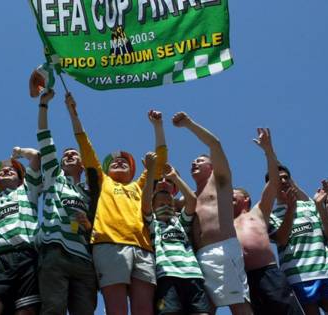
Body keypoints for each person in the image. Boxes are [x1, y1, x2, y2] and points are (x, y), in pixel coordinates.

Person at [67, 92, 167, 315]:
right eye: (114, 161)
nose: (119, 161)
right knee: (117, 309)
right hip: (108, 244)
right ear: (106, 169)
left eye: (125, 161)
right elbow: (85, 145)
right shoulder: (103, 182)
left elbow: (159, 164)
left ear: (133, 170)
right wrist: (73, 113)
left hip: (143, 248)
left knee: (144, 310)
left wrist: (158, 126)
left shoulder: (138, 186)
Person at [172, 112, 252, 315]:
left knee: (239, 305)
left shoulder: (220, 182)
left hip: (223, 249)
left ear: (211, 166)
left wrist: (189, 124)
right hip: (198, 258)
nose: (194, 163)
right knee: (203, 310)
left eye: (199, 161)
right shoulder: (187, 199)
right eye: (192, 162)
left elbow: (215, 144)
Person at [35, 89, 97, 315]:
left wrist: (87, 224)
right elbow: (44, 140)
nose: (69, 155)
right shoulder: (54, 177)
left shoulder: (89, 193)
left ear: (82, 165)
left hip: (83, 259)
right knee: (53, 309)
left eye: (74, 154)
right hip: (55, 252)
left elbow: (96, 229)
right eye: (65, 154)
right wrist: (43, 106)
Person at [233, 128, 303, 315]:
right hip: (245, 281)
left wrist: (268, 151)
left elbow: (273, 181)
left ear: (246, 198)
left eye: (234, 195)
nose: (229, 198)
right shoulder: (225, 222)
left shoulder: (258, 211)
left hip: (269, 274)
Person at [269, 165, 328, 315]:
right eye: (279, 179)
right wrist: (290, 209)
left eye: (287, 177)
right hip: (298, 278)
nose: (284, 180)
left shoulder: (310, 205)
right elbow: (282, 240)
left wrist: (319, 206)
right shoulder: (270, 216)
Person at [142, 151, 210, 315]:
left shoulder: (180, 222)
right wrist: (151, 171)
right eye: (160, 203)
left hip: (193, 275)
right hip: (166, 277)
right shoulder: (154, 225)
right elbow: (145, 205)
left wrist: (175, 178)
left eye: (168, 203)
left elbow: (192, 200)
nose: (165, 205)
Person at [0, 146, 42, 315]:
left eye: (12, 170)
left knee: (26, 311)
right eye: (2, 170)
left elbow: (35, 157)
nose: (6, 170)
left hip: (27, 256)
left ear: (21, 180)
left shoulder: (27, 190)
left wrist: (19, 152)